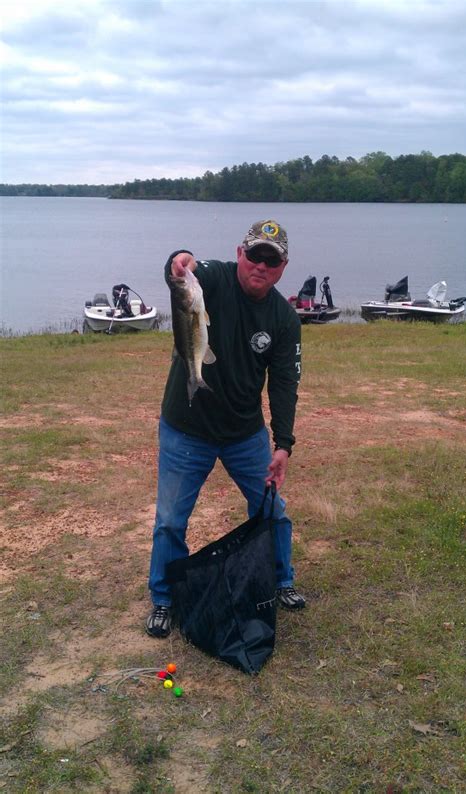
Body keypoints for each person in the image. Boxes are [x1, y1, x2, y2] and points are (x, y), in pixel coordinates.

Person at [146, 219, 304, 638]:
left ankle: (281, 580)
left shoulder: (284, 319)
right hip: (186, 428)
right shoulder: (210, 280)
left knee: (273, 510)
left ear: (283, 266)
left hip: (244, 434)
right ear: (240, 253)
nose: (261, 265)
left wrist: (283, 443)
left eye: (271, 260)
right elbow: (180, 275)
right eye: (255, 255)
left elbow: (286, 383)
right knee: (170, 521)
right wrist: (177, 263)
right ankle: (164, 598)